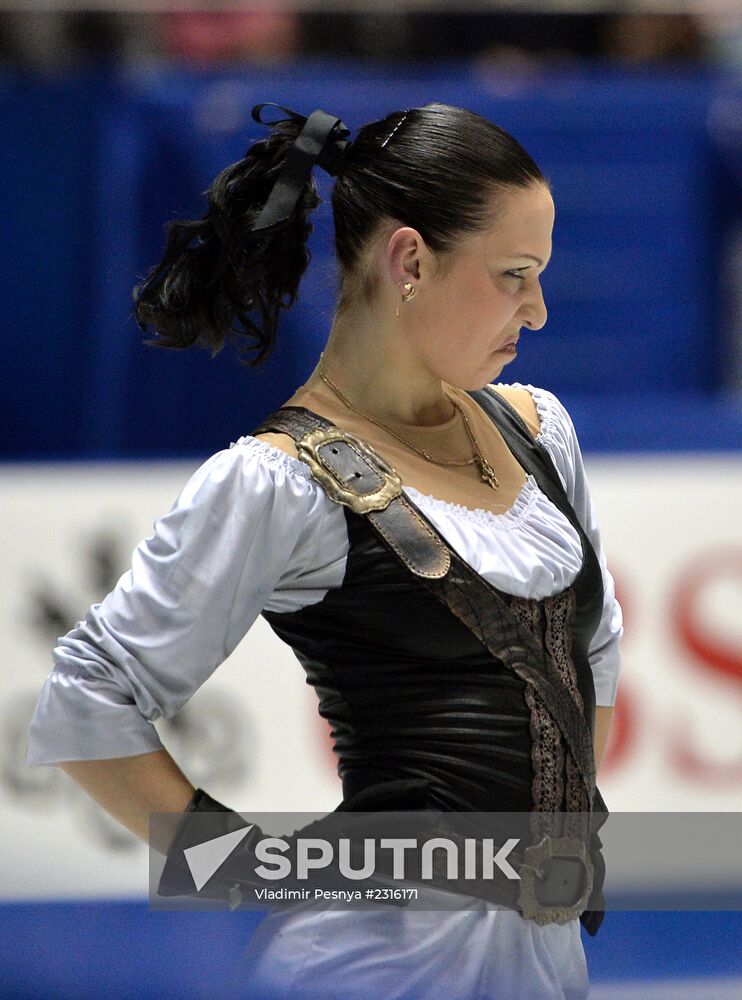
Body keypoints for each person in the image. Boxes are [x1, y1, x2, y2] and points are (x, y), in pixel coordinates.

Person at [26, 101, 623, 1000]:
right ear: (411, 260)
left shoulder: (543, 434)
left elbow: (595, 650)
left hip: (543, 962)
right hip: (375, 965)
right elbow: (82, 704)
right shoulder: (278, 482)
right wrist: (249, 877)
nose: (535, 310)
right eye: (512, 275)